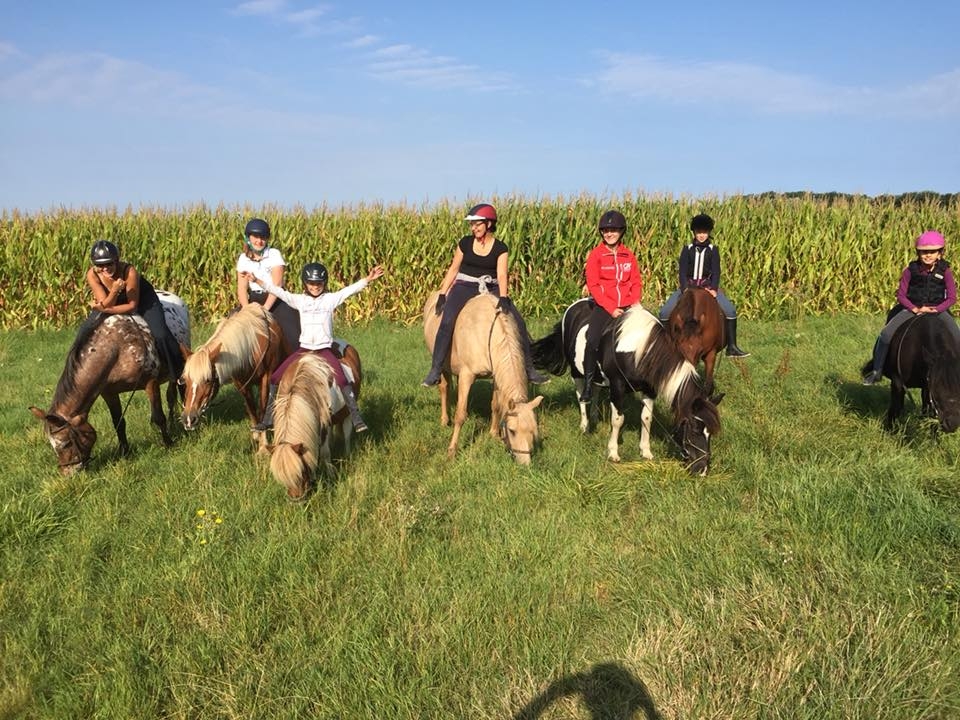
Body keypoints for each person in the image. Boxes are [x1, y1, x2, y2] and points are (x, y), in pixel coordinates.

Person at [244, 262, 385, 432]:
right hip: (304, 350)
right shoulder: (300, 300)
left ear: (324, 284)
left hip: (324, 350)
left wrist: (367, 279)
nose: (315, 287)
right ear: (305, 284)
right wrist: (257, 280)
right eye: (311, 283)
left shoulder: (330, 299)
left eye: (318, 284)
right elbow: (278, 291)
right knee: (275, 378)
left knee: (341, 379)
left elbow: (349, 291)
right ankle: (267, 420)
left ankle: (356, 417)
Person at [422, 202, 548, 387]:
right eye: (472, 224)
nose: (474, 228)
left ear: (489, 224)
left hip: (491, 286)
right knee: (447, 319)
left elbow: (503, 274)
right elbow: (454, 269)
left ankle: (529, 370)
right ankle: (435, 369)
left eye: (478, 224)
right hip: (465, 285)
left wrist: (503, 297)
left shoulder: (500, 248)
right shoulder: (465, 243)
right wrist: (443, 293)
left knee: (519, 322)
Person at [862, 230, 960, 385]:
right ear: (918, 253)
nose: (928, 255)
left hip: (937, 310)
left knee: (957, 338)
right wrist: (915, 309)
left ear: (940, 253)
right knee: (885, 335)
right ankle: (877, 370)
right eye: (923, 252)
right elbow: (901, 295)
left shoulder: (946, 271)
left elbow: (952, 298)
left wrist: (937, 309)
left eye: (932, 252)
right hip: (913, 308)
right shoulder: (910, 271)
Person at [83, 239, 185, 384]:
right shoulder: (93, 274)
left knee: (160, 333)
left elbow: (132, 306)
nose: (105, 268)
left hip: (143, 300)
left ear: (116, 261)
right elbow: (105, 302)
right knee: (85, 330)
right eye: (100, 265)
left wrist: (105, 307)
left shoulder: (129, 271)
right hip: (114, 300)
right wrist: (114, 292)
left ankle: (179, 369)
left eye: (109, 263)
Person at [657, 212, 749, 357]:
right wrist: (685, 288)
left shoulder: (713, 250)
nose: (701, 235)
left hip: (707, 286)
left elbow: (716, 271)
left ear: (708, 233)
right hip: (688, 286)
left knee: (730, 311)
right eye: (699, 232)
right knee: (664, 312)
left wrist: (713, 288)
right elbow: (682, 271)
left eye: (704, 232)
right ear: (694, 232)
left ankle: (732, 346)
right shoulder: (687, 249)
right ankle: (663, 346)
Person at [579, 209, 642, 402]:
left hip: (629, 306)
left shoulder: (628, 256)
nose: (609, 233)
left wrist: (634, 302)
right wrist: (611, 308)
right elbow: (594, 285)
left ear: (621, 231)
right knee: (592, 339)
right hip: (605, 307)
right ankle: (589, 385)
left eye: (613, 230)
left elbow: (635, 281)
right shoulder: (596, 255)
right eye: (606, 230)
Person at [235, 217, 300, 353]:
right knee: (230, 326)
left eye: (263, 237)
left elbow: (276, 285)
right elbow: (242, 288)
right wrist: (247, 311)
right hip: (253, 300)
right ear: (248, 238)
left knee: (293, 333)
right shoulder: (243, 258)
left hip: (275, 300)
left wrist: (265, 309)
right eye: (256, 237)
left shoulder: (274, 255)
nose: (259, 241)